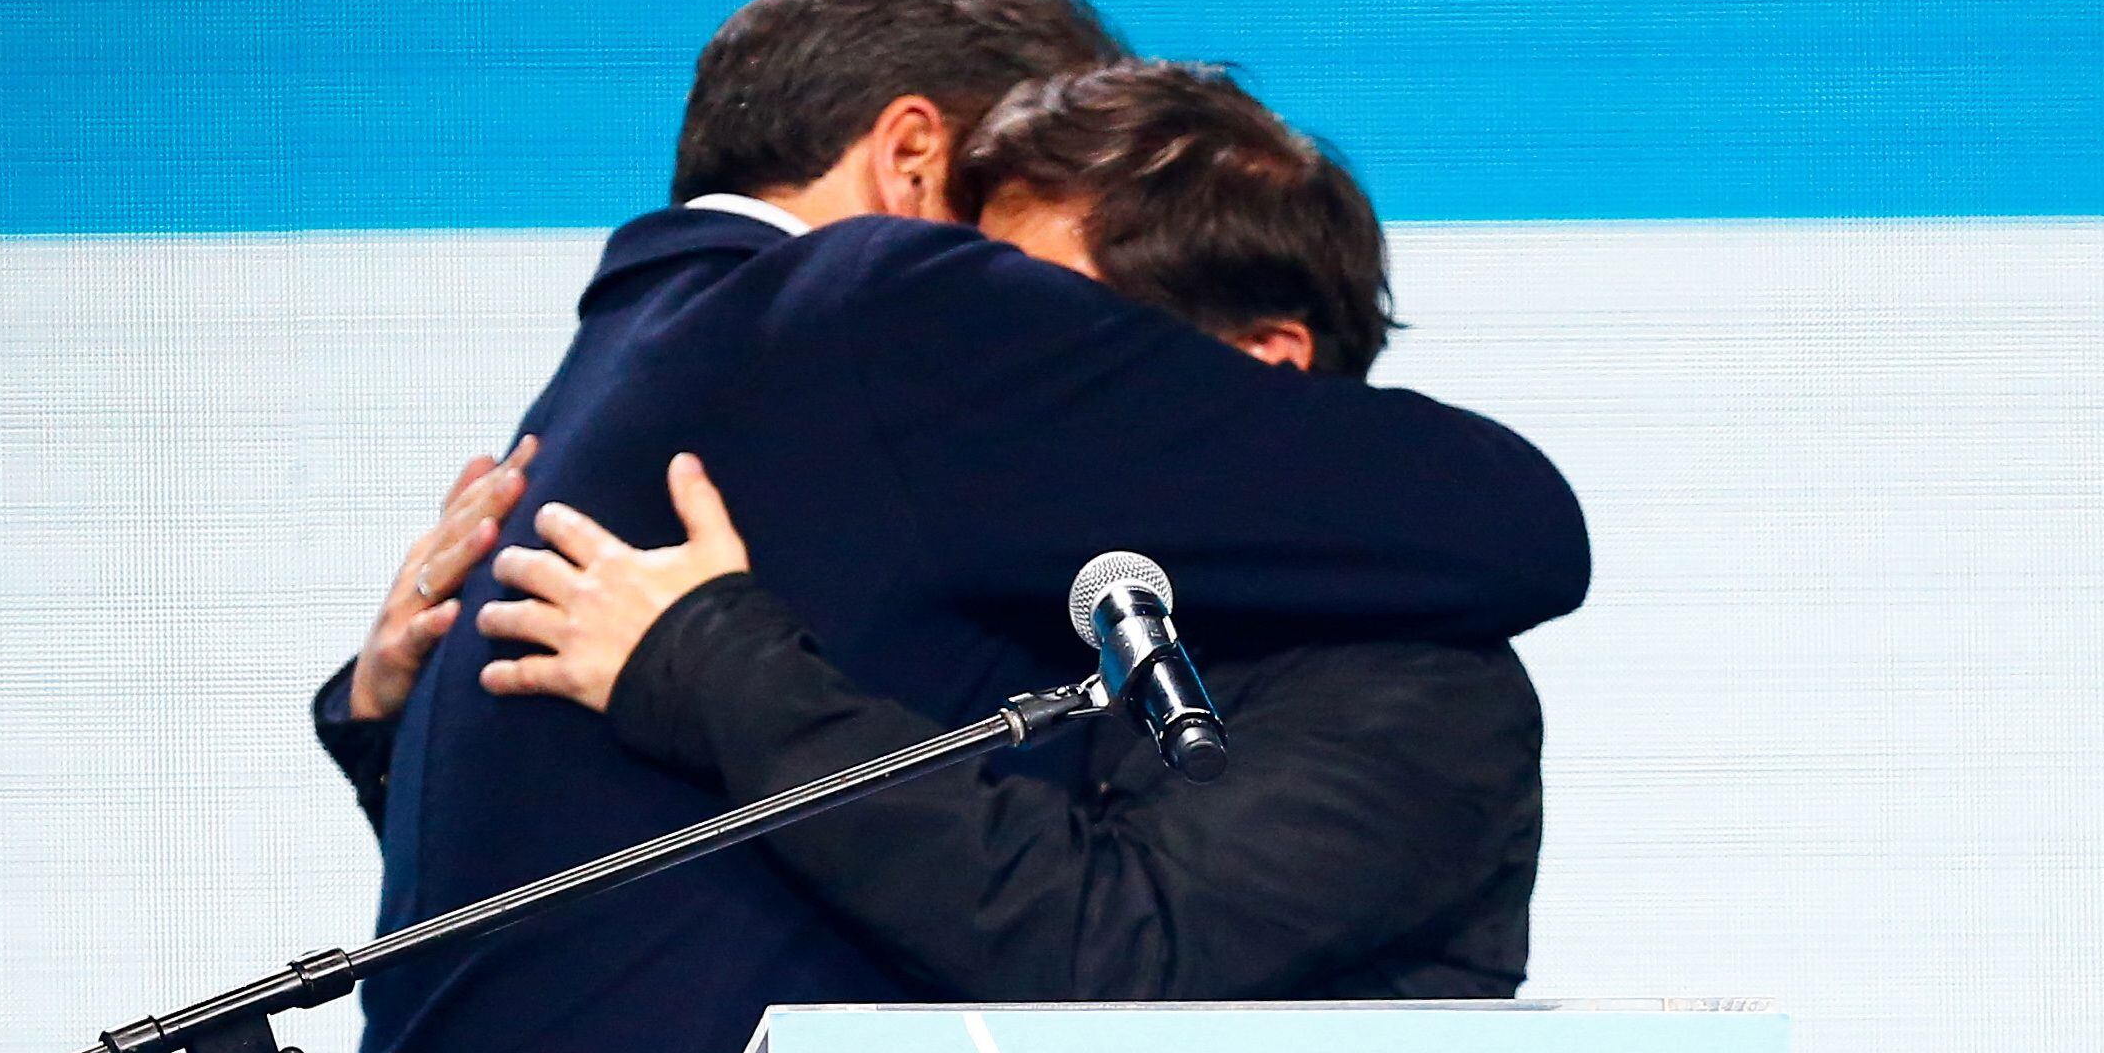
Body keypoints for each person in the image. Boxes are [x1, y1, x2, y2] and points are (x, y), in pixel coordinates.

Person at [274, 0, 1589, 1053]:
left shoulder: (636, 389)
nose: (1028, 363)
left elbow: (1027, 926)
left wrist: (434, 716)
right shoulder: (857, 331)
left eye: (1057, 331)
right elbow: (1506, 519)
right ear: (910, 157)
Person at [461, 61, 1543, 1004]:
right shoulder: (1041, 606)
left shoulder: (1422, 680)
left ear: (1262, 371)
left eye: (1037, 320)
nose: (974, 364)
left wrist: (721, 669)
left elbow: (1122, 950)